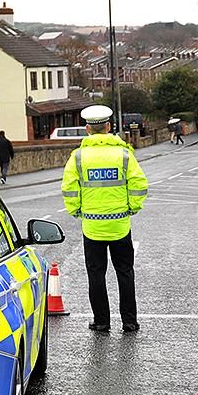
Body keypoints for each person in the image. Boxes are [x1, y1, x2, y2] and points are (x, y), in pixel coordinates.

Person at [61, 105, 149, 333]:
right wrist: (132, 207)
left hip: (92, 226)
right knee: (125, 272)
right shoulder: (124, 154)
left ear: (88, 129)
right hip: (120, 224)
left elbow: (69, 188)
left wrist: (76, 210)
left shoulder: (78, 157)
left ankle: (102, 321)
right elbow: (139, 184)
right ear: (109, 127)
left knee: (96, 274)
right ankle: (129, 321)